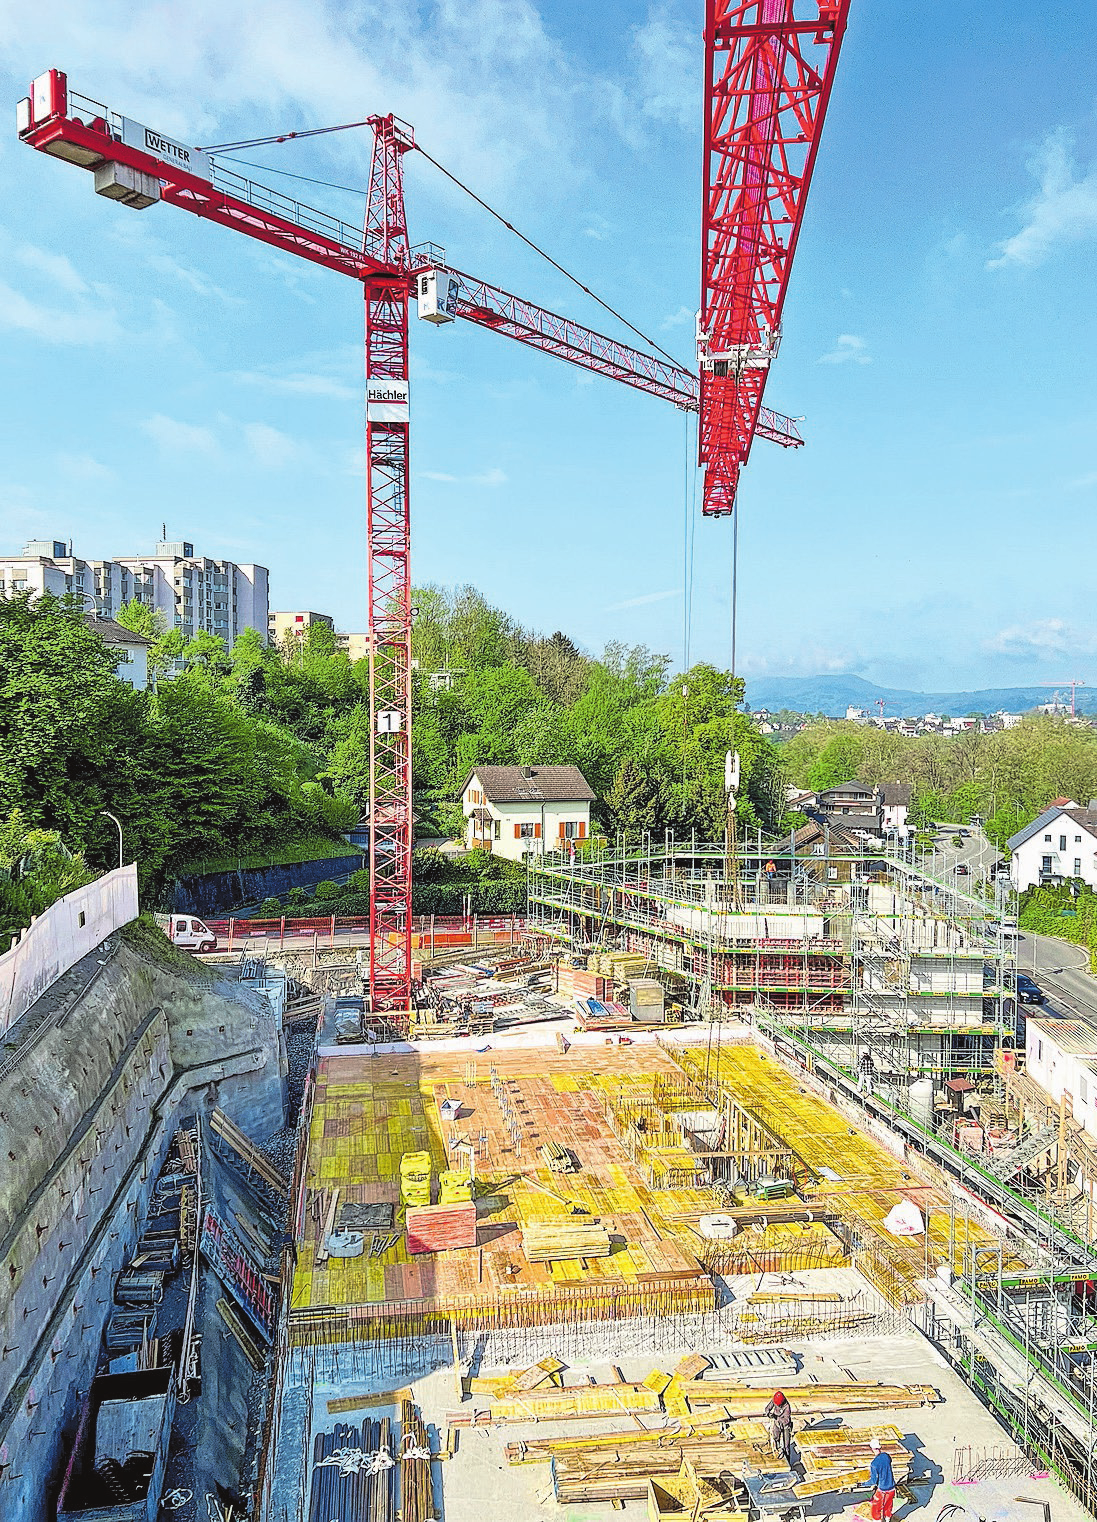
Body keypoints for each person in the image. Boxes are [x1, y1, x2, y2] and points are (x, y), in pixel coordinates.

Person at [869, 1436, 896, 1521]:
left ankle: (877, 1520)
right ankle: (887, 1518)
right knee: (888, 1504)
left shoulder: (874, 1464)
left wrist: (861, 1484)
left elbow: (873, 1481)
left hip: (882, 1489)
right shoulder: (886, 1456)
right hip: (892, 1487)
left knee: (876, 1506)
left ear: (872, 1448)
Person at [763, 1390, 793, 1465]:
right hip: (777, 1423)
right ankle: (777, 1453)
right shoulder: (775, 1400)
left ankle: (788, 1462)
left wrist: (777, 1418)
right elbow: (768, 1408)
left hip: (785, 1426)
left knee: (786, 1446)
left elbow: (786, 1420)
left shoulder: (787, 1407)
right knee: (775, 1439)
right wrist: (768, 1413)